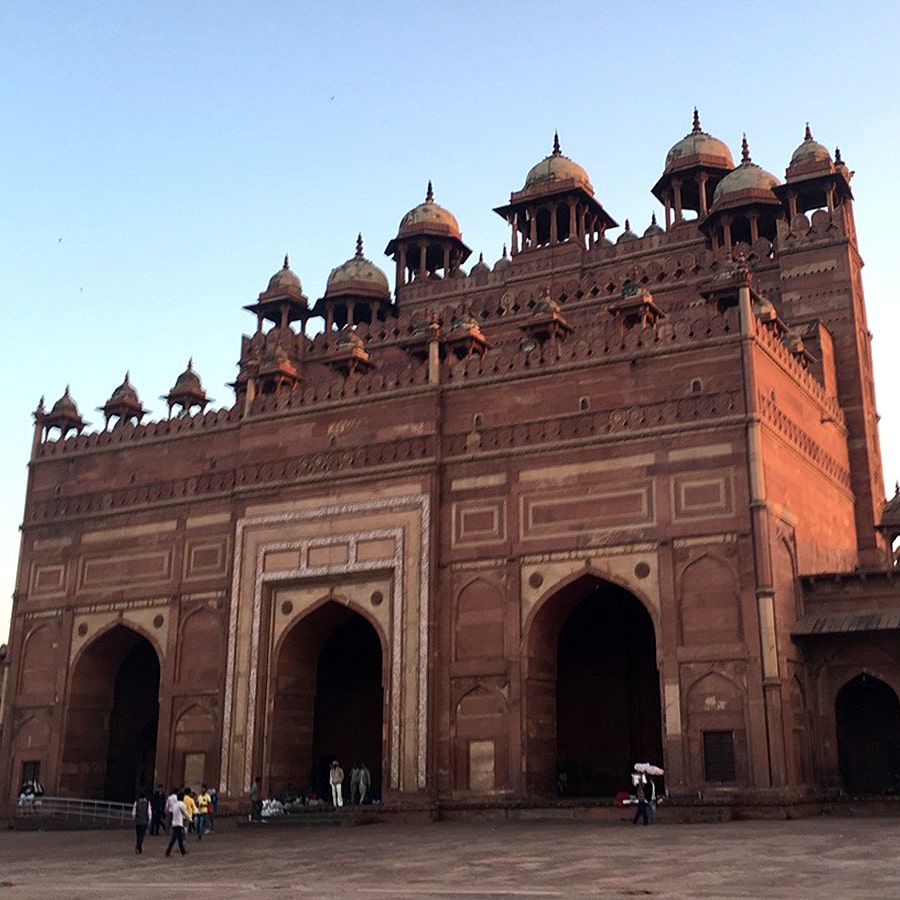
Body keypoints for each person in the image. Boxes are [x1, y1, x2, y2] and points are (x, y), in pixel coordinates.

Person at [165, 791, 190, 857]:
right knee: (176, 838)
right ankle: (168, 852)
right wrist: (189, 819)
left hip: (174, 822)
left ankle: (182, 851)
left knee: (178, 838)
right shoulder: (181, 804)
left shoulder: (175, 805)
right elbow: (185, 813)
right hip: (179, 823)